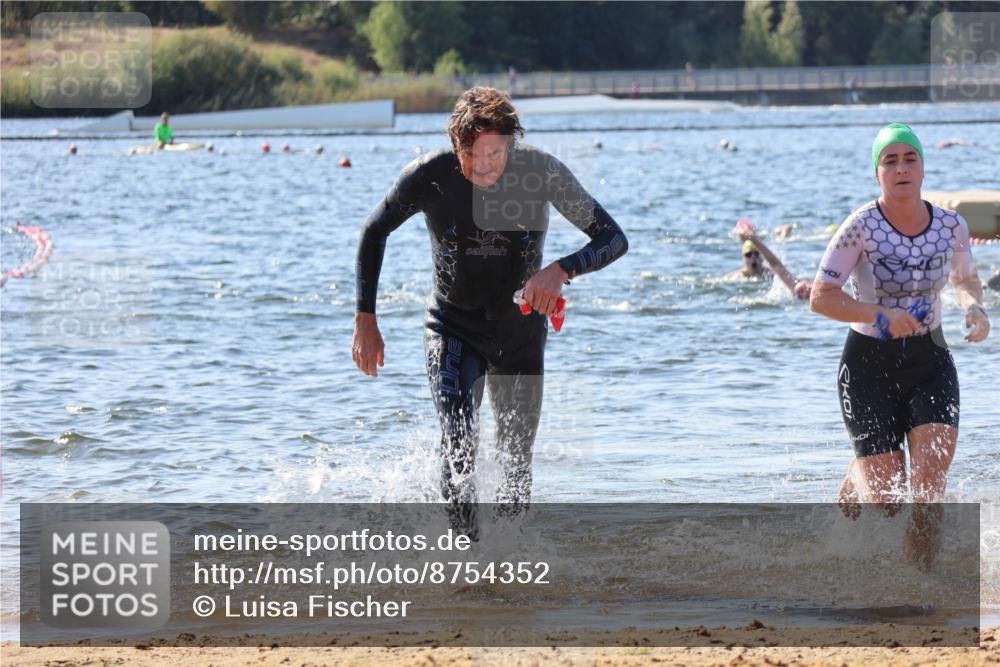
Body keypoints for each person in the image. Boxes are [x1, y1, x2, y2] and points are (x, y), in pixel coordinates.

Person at [352, 87, 628, 537]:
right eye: (471, 154)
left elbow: (613, 239)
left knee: (516, 460)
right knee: (459, 446)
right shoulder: (431, 176)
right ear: (455, 144)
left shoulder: (540, 172)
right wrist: (366, 319)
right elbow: (374, 231)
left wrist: (560, 271)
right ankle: (467, 561)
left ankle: (508, 564)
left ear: (511, 144)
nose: (484, 165)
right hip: (452, 326)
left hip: (519, 334)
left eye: (495, 154)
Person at [810, 123, 990, 565]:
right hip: (868, 368)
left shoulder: (951, 225)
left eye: (910, 158)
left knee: (928, 491)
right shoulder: (861, 227)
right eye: (890, 161)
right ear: (878, 174)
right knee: (889, 500)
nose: (901, 167)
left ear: (923, 168)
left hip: (930, 361)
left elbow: (965, 279)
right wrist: (878, 314)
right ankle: (858, 474)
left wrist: (975, 308)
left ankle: (922, 587)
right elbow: (820, 297)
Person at [731, 228, 811, 299]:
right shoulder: (735, 276)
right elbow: (776, 265)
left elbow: (776, 265)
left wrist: (753, 238)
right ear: (743, 258)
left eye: (756, 254)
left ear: (761, 257)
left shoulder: (803, 289)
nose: (753, 257)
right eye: (748, 254)